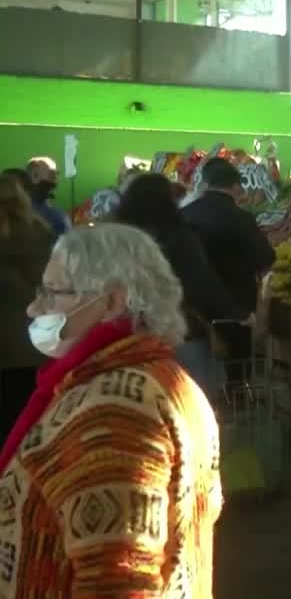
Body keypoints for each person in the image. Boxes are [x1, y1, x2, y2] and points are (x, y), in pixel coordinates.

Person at [0, 223, 222, 597]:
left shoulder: (113, 413)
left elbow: (119, 581)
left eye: (52, 293)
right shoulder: (146, 376)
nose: (34, 307)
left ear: (112, 302)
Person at [115, 173, 247, 395]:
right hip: (178, 332)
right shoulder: (178, 235)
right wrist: (237, 313)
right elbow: (202, 282)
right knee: (188, 401)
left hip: (129, 336)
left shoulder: (117, 238)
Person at [182, 157, 276, 378]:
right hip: (236, 308)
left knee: (197, 374)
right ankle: (239, 401)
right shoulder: (241, 218)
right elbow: (265, 259)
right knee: (238, 372)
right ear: (235, 187)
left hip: (193, 310)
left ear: (205, 184)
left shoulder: (185, 215)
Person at [0, 175, 55, 437]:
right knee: (24, 415)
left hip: (9, 342)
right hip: (36, 338)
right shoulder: (41, 230)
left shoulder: (8, 237)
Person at [26, 158, 70, 236]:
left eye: (57, 173)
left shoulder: (54, 213)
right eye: (51, 173)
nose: (55, 178)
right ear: (34, 176)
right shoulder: (20, 209)